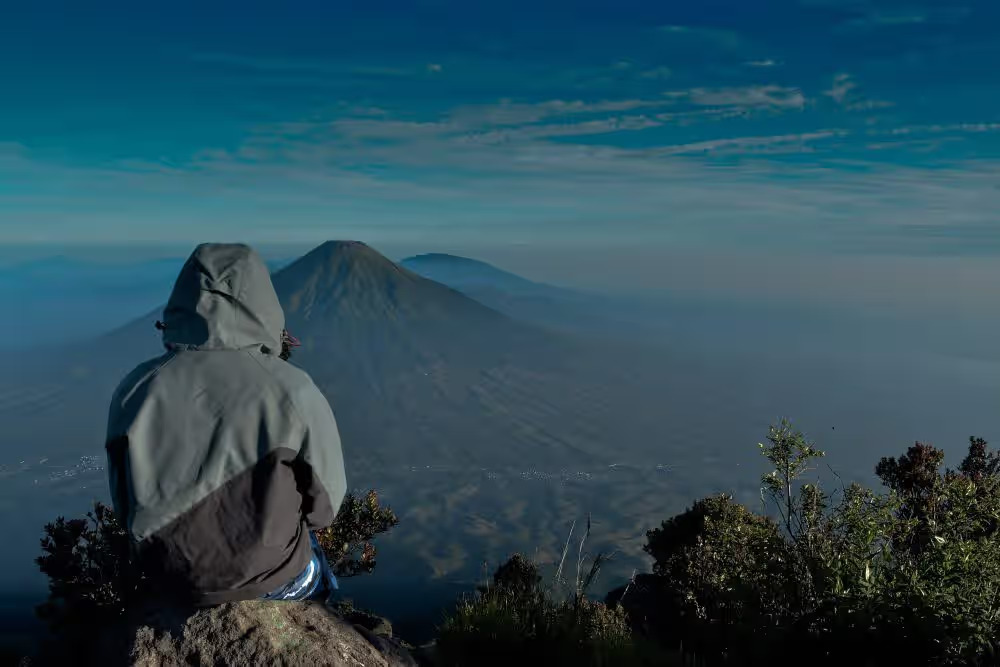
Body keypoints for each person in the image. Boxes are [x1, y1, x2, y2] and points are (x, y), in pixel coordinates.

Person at [105, 243, 346, 605]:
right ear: (264, 307)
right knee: (316, 568)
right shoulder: (293, 389)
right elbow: (324, 508)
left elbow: (125, 506)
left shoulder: (135, 389)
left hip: (167, 581)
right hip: (272, 581)